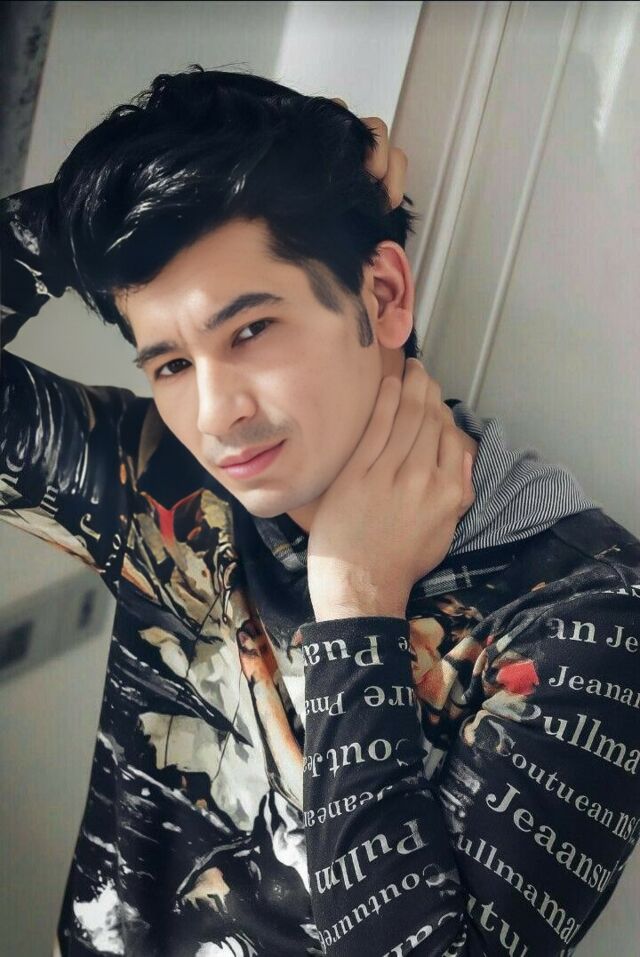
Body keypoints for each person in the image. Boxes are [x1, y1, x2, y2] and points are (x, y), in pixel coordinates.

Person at [1, 65, 638, 957]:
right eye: (172, 364)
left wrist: (356, 609)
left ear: (383, 294)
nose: (216, 415)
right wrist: (72, 219)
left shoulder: (586, 619)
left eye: (251, 330)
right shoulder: (166, 487)